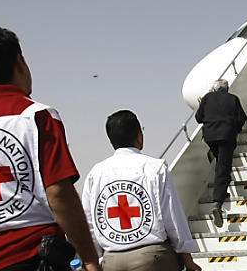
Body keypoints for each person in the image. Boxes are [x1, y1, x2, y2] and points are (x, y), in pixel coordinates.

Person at [0, 28, 100, 271]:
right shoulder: (36, 117)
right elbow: (58, 192)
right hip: (30, 257)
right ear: (19, 61)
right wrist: (89, 258)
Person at [81, 110, 201, 271]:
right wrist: (188, 260)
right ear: (139, 136)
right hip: (152, 258)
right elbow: (172, 216)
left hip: (111, 260)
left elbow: (88, 221)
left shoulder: (95, 173)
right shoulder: (155, 168)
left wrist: (95, 262)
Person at [195, 79, 247, 227]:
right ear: (227, 88)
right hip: (226, 137)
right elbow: (242, 118)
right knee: (223, 168)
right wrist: (236, 129)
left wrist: (203, 106)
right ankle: (217, 203)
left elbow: (198, 118)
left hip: (210, 138)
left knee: (221, 164)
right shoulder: (233, 99)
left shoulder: (206, 98)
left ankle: (222, 192)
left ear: (214, 88)